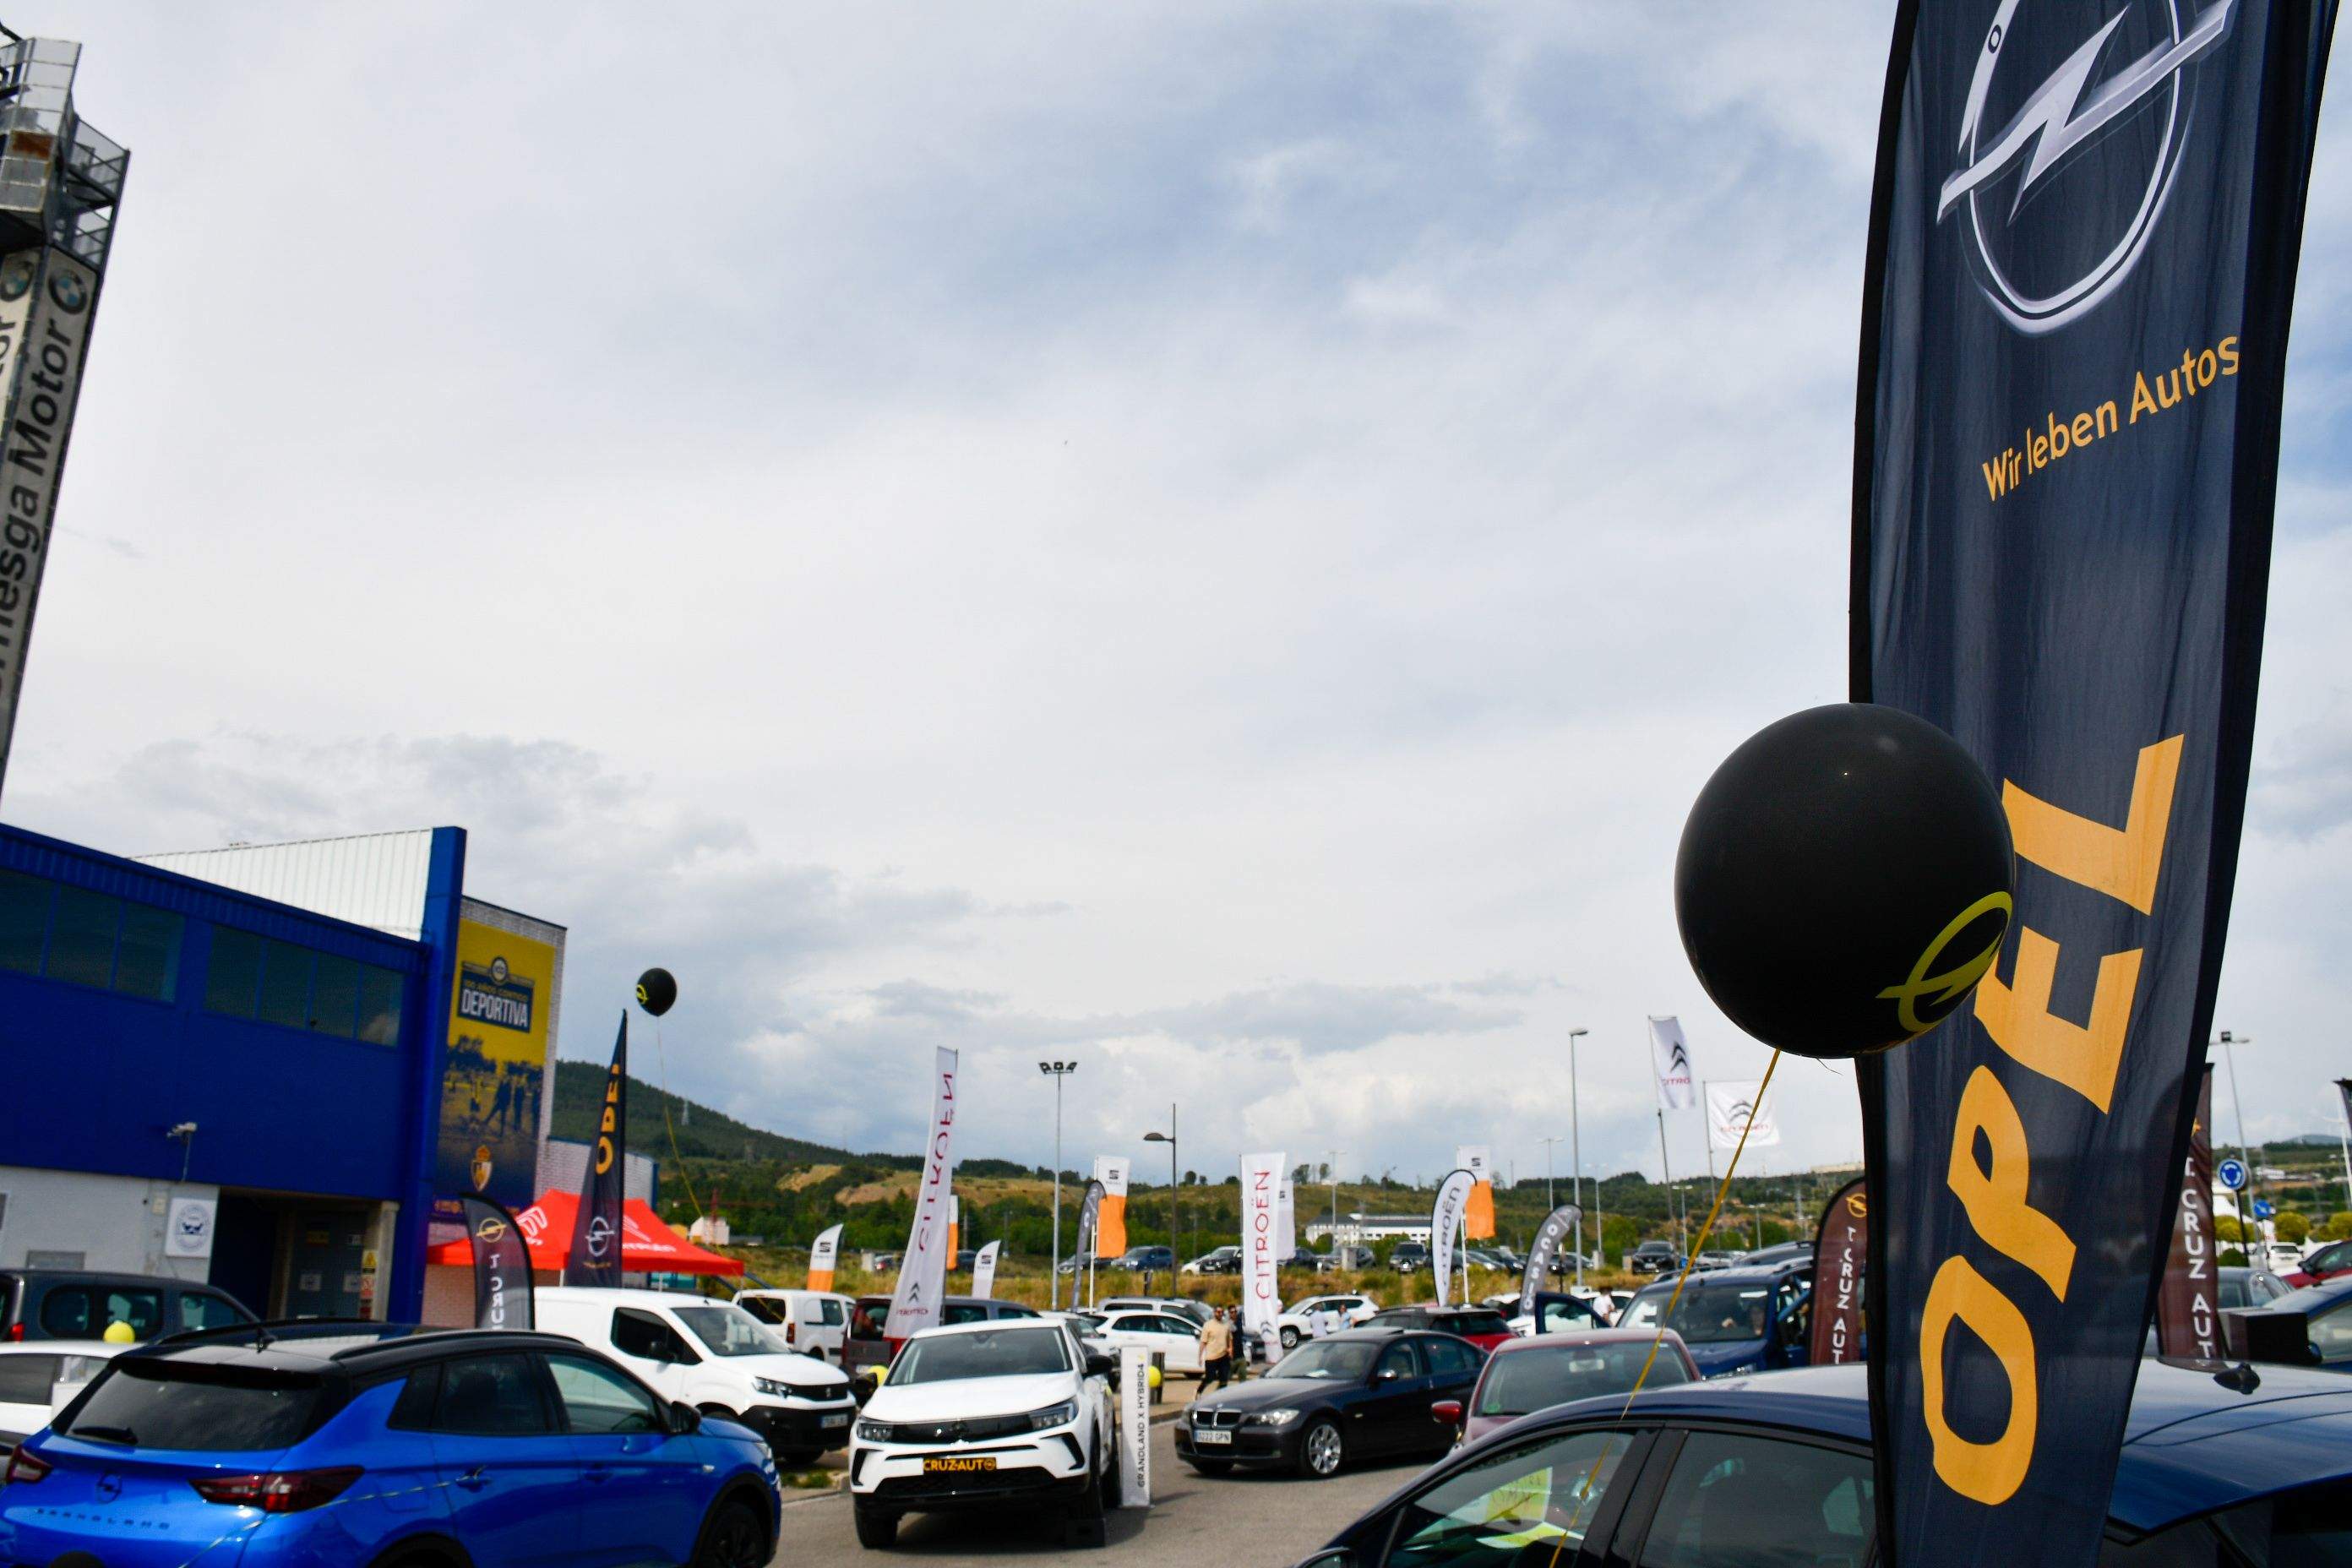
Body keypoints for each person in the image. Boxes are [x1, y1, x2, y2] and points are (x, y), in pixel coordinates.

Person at [1199, 1307, 1233, 1391]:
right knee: (1210, 1377)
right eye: (1218, 1312)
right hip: (1212, 1356)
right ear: (1214, 1313)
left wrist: (1231, 1349)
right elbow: (1203, 1342)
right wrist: (1200, 1356)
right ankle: (1199, 1391)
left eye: (1222, 1312)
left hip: (1223, 1356)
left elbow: (1230, 1339)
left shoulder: (1226, 1325)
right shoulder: (1208, 1325)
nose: (1220, 1314)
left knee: (1224, 1378)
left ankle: (1221, 1395)